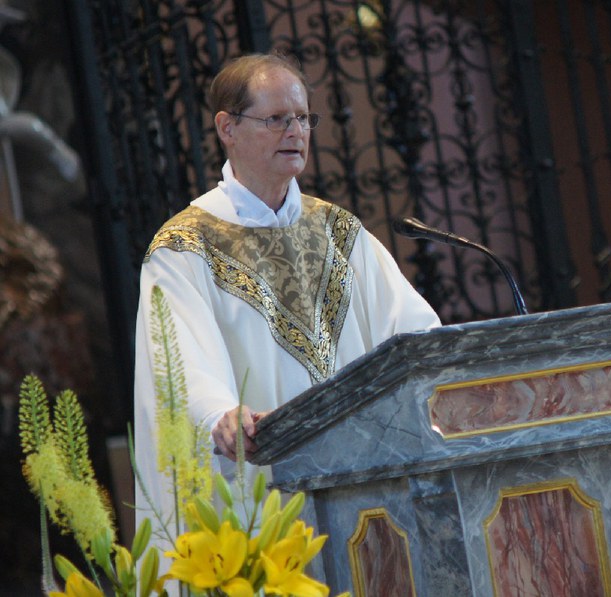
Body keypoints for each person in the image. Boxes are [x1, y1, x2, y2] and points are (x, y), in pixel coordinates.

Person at [132, 51, 441, 542]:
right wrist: (219, 416)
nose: (296, 131)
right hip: (258, 489)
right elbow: (176, 362)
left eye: (303, 118)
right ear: (227, 127)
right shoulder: (184, 248)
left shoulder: (339, 231)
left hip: (365, 488)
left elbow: (415, 336)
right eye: (277, 118)